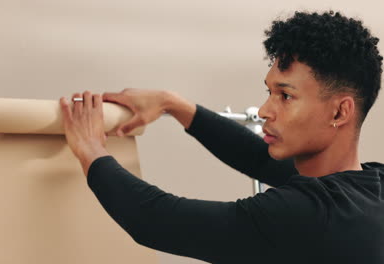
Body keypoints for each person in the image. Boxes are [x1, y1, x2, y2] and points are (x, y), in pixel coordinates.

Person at [59, 11, 384, 263]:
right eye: (268, 92)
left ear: (340, 112)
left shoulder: (306, 215)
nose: (264, 110)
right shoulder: (370, 187)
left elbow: (155, 220)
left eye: (285, 96)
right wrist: (175, 105)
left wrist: (90, 149)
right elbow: (259, 158)